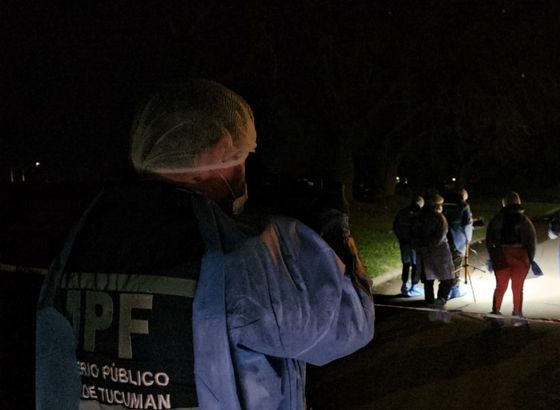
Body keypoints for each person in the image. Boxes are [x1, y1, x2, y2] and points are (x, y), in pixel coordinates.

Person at [35, 79, 375, 410]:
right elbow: (349, 325)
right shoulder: (242, 250)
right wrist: (331, 227)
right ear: (221, 147)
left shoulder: (82, 237)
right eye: (244, 157)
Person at [486, 191, 537, 327]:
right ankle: (517, 314)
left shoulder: (497, 219)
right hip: (520, 255)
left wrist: (493, 255)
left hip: (501, 254)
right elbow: (531, 240)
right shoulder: (524, 219)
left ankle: (495, 313)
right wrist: (530, 258)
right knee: (518, 287)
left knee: (500, 286)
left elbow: (490, 238)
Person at [414, 193, 455, 309]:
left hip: (424, 250)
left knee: (428, 276)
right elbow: (441, 234)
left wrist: (420, 245)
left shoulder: (419, 216)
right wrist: (431, 245)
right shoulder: (439, 217)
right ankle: (441, 298)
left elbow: (414, 233)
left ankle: (429, 299)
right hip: (439, 250)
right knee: (447, 276)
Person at [442, 188, 474, 299]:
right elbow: (467, 225)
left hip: (443, 238)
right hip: (457, 239)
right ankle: (454, 290)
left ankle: (444, 288)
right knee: (456, 265)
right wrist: (468, 239)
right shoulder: (464, 206)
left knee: (445, 265)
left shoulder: (444, 204)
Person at [393, 194, 425, 296]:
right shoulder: (420, 213)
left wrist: (401, 237)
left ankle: (404, 285)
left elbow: (395, 226)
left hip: (404, 242)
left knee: (406, 264)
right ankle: (414, 287)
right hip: (415, 243)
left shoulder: (402, 212)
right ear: (420, 204)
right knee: (415, 265)